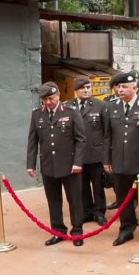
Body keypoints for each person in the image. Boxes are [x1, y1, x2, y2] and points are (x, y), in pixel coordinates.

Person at [104, 71, 139, 247]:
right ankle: (126, 229)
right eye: (118, 87)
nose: (120, 90)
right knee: (123, 198)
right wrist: (107, 160)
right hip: (119, 162)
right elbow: (108, 137)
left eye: (124, 87)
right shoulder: (111, 107)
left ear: (133, 87)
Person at [27, 82, 87, 246]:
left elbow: (80, 140)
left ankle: (77, 232)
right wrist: (30, 164)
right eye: (44, 99)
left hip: (69, 165)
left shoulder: (71, 113)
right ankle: (58, 231)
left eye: (51, 98)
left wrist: (78, 162)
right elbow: (33, 141)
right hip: (48, 165)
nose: (48, 102)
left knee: (74, 199)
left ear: (58, 95)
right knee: (53, 200)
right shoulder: (37, 115)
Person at [65, 77, 108, 226]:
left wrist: (106, 154)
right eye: (82, 88)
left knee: (98, 184)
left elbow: (106, 131)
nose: (86, 90)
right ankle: (87, 211)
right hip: (78, 154)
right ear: (76, 90)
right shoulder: (68, 106)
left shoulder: (101, 105)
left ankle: (100, 212)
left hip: (96, 153)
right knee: (81, 185)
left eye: (88, 87)